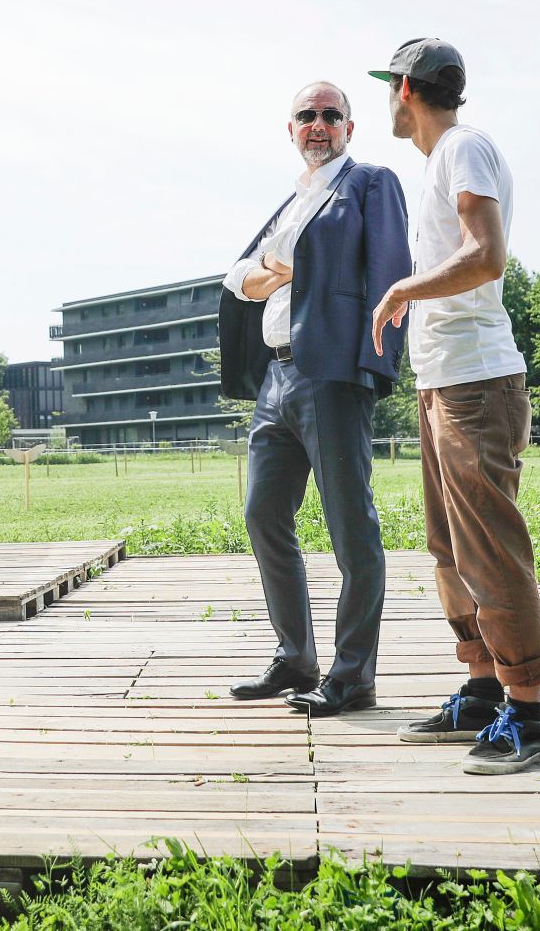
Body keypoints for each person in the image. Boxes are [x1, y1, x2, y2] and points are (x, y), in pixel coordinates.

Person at [368, 38, 540, 774]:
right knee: (449, 549)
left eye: (390, 86)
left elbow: (488, 254)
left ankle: (526, 713)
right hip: (443, 382)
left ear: (406, 88)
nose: (389, 97)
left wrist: (405, 289)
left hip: (478, 384)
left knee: (490, 551)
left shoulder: (463, 150)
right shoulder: (439, 163)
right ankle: (481, 688)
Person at [219, 81, 410, 716]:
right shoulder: (291, 201)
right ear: (291, 128)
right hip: (275, 378)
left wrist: (373, 364)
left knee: (350, 526)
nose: (318, 124)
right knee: (262, 513)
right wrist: (282, 268)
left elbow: (386, 270)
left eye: (332, 115)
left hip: (329, 373)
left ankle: (352, 675)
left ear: (350, 128)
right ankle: (295, 657)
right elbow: (240, 278)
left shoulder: (368, 184)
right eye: (307, 115)